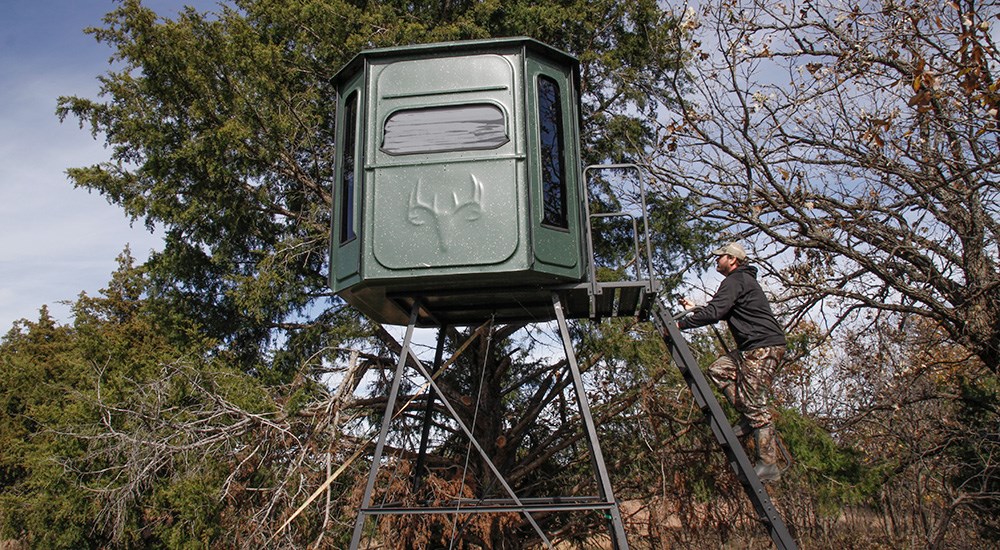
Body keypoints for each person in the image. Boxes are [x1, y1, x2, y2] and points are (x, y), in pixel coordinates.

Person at [676, 242, 787, 481]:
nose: (716, 261)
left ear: (733, 260)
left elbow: (716, 312)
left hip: (763, 347)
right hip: (752, 347)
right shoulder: (740, 282)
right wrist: (696, 309)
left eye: (720, 258)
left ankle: (769, 464)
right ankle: (748, 416)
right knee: (719, 369)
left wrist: (681, 324)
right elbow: (720, 309)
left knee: (756, 404)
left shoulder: (736, 281)